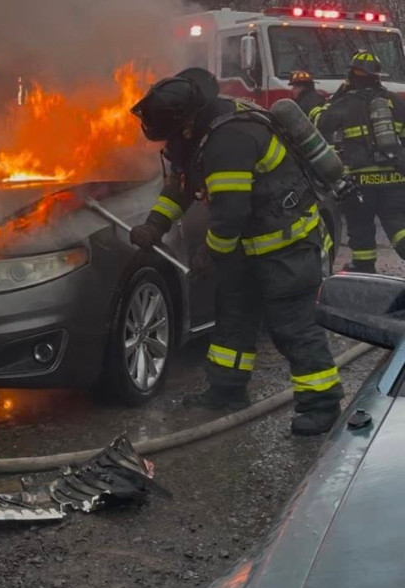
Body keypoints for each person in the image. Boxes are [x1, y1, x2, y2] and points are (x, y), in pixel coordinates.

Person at [128, 68, 343, 436]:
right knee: (234, 315)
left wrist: (210, 255)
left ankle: (322, 403)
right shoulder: (201, 132)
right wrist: (154, 225)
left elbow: (230, 215)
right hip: (251, 242)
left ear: (185, 122)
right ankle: (227, 390)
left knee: (292, 326)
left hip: (286, 243)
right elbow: (181, 187)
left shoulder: (229, 140)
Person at [316, 50, 405, 274]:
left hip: (360, 179)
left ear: (352, 75)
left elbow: (320, 125)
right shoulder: (393, 100)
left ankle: (363, 268)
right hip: (394, 176)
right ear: (377, 75)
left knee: (360, 224)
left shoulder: (345, 102)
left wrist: (335, 97)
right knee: (398, 226)